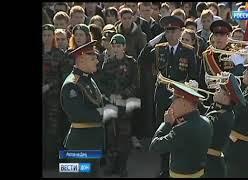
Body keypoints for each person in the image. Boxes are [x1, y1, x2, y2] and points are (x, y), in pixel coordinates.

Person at [139, 15, 197, 178]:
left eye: (174, 31)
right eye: (167, 31)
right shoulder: (159, 48)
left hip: (180, 97)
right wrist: (152, 41)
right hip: (163, 94)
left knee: (180, 130)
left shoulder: (188, 50)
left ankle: (178, 166)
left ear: (180, 32)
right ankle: (164, 168)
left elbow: (193, 76)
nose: (170, 34)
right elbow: (141, 60)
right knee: (163, 129)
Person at [60, 40, 112, 177]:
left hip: (92, 141)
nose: (97, 61)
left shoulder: (87, 78)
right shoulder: (72, 85)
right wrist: (107, 112)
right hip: (81, 144)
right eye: (93, 58)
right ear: (81, 60)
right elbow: (79, 114)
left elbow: (98, 101)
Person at [96, 34, 140, 177]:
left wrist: (123, 94)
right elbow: (101, 83)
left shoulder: (131, 62)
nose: (116, 49)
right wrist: (110, 95)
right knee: (110, 135)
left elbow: (135, 83)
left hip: (126, 104)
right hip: (110, 104)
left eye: (119, 46)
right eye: (114, 46)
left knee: (124, 136)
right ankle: (111, 165)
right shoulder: (107, 63)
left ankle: (122, 167)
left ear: (124, 47)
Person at [149, 80, 212, 178]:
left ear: (184, 103)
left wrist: (166, 124)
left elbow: (154, 146)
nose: (171, 106)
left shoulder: (181, 129)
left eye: (174, 101)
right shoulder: (207, 122)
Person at [204, 72, 246, 178]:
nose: (215, 91)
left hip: (211, 165)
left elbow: (200, 126)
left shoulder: (221, 117)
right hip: (211, 161)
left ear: (225, 97)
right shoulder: (223, 110)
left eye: (219, 90)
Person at [42, 24, 65, 171]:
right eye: (44, 35)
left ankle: (51, 161)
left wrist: (49, 85)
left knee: (52, 129)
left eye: (49, 35)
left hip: (53, 97)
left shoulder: (59, 55)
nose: (47, 38)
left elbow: (62, 76)